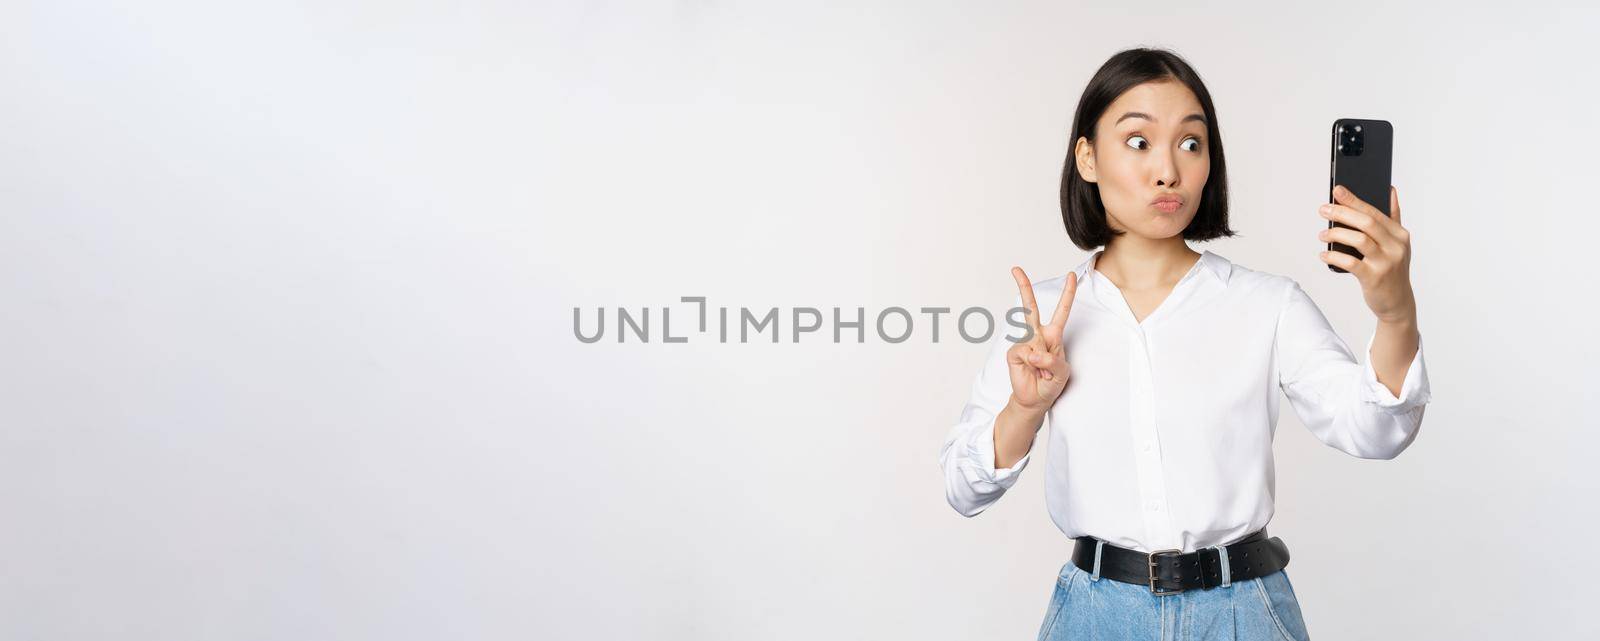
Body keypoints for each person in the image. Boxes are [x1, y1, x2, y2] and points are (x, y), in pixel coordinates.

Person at [937, 48, 1432, 641]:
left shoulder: (1267, 305)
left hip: (1243, 613)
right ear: (1087, 157)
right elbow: (963, 490)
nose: (1168, 170)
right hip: (1095, 618)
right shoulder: (1041, 316)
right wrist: (1025, 407)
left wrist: (1395, 309)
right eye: (1139, 142)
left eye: (1190, 144)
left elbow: (1377, 433)